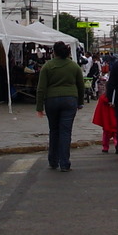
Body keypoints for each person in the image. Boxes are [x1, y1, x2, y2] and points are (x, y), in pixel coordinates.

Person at [36, 41, 85, 172]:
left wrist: (39, 107)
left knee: (54, 130)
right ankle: (64, 163)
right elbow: (81, 86)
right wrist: (80, 102)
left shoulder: (48, 66)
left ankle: (53, 160)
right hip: (70, 100)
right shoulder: (74, 66)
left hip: (51, 100)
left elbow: (41, 88)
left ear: (54, 52)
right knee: (65, 132)